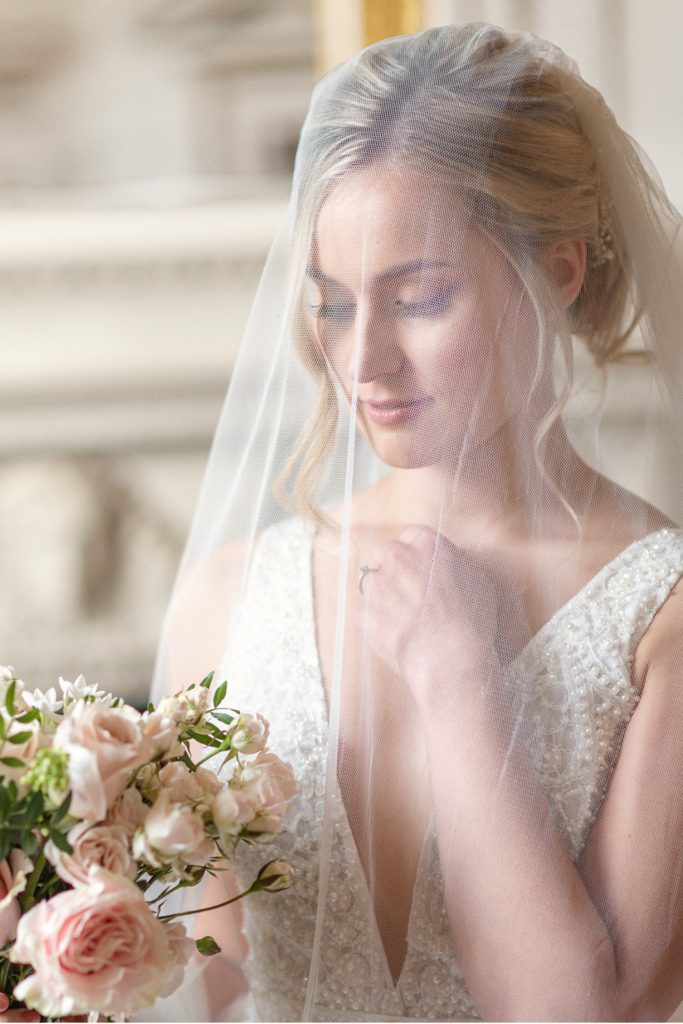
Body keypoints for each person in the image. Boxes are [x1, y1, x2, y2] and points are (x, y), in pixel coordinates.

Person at [150, 21, 683, 1023]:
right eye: (334, 305)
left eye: (420, 296)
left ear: (557, 272)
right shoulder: (229, 597)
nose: (363, 364)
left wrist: (456, 678)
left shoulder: (661, 617)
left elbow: (581, 1013)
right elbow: (201, 980)